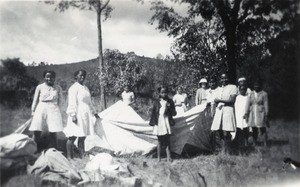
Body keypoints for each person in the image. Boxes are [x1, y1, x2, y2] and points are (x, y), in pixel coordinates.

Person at [64, 70, 100, 159]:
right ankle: (69, 157)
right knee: (72, 136)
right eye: (80, 75)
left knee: (82, 136)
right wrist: (73, 115)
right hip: (77, 113)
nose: (82, 77)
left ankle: (81, 155)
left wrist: (94, 113)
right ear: (76, 76)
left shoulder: (85, 88)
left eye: (84, 75)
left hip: (85, 113)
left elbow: (89, 102)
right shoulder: (73, 88)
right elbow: (72, 102)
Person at [29, 70, 63, 151]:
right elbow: (35, 100)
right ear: (44, 77)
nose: (49, 79)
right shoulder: (40, 87)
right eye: (47, 77)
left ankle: (54, 151)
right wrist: (33, 110)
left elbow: (61, 101)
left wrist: (60, 111)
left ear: (54, 78)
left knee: (53, 131)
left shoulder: (58, 88)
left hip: (53, 108)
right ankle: (31, 151)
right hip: (41, 107)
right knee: (37, 130)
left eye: (51, 77)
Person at [211, 73, 238, 153]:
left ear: (228, 78)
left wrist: (220, 100)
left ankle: (228, 150)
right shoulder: (218, 89)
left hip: (228, 110)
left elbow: (232, 101)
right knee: (218, 130)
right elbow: (214, 101)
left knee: (227, 131)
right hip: (219, 111)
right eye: (222, 78)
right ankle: (222, 150)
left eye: (225, 78)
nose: (223, 80)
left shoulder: (233, 87)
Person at [149, 86, 176, 162]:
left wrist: (169, 107)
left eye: (165, 92)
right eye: (162, 92)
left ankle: (169, 157)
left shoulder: (170, 101)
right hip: (159, 122)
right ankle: (159, 158)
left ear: (167, 93)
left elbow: (174, 113)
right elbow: (154, 114)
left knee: (167, 140)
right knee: (159, 141)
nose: (164, 94)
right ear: (159, 93)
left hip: (166, 121)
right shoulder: (156, 102)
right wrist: (154, 124)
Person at [248, 80, 269, 146]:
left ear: (260, 86)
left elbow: (266, 104)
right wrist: (246, 113)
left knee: (262, 127)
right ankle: (254, 142)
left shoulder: (264, 94)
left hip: (260, 112)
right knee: (254, 128)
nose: (256, 86)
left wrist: (266, 114)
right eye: (255, 85)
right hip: (253, 112)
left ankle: (265, 142)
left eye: (258, 85)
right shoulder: (251, 93)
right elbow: (248, 104)